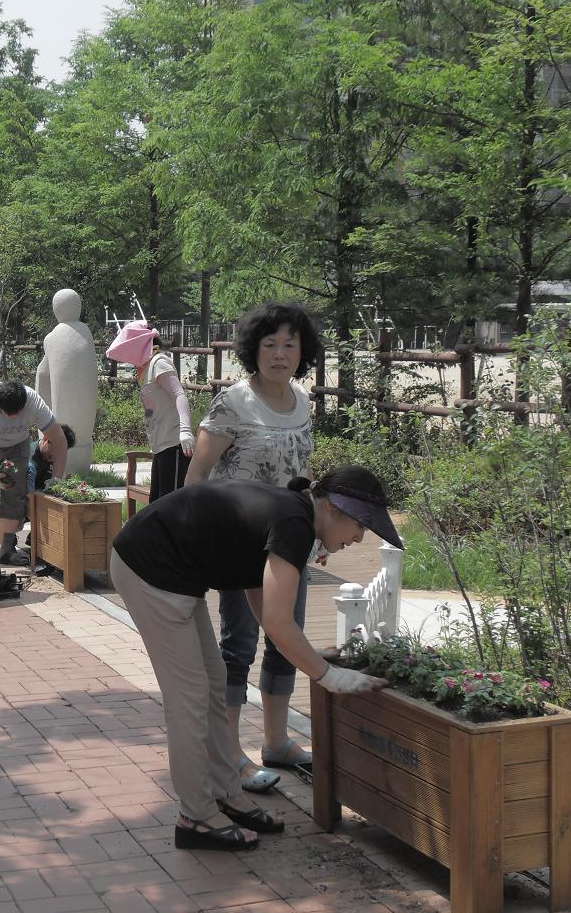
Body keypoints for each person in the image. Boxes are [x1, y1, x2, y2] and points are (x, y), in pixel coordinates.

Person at [110, 467, 400, 851]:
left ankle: (224, 792)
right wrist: (327, 675)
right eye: (360, 526)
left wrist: (310, 656)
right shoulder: (295, 525)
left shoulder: (293, 513)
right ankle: (195, 816)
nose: (359, 538)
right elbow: (280, 622)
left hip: (172, 571)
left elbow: (257, 591)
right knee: (190, 699)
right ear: (333, 508)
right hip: (151, 568)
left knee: (213, 684)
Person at [185, 302, 321, 793]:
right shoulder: (233, 403)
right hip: (239, 545)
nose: (280, 354)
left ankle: (276, 741)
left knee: (287, 639)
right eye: (270, 344)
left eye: (290, 344)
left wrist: (313, 531)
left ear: (303, 350)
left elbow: (299, 476)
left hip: (289, 545)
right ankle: (230, 754)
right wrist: (201, 544)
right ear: (253, 349)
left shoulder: (303, 402)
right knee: (238, 645)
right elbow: (197, 477)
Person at [0, 381, 68, 564]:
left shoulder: (34, 403)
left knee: (14, 495)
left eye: (18, 413)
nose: (13, 418)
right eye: (8, 414)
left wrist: (57, 480)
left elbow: (60, 440)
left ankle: (5, 551)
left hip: (16, 447)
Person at [106, 321, 194, 500]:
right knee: (157, 504)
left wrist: (185, 430)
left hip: (174, 445)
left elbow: (179, 394)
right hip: (160, 448)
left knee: (171, 507)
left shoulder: (159, 362)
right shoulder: (145, 368)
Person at [29, 424, 76, 493]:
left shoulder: (55, 460)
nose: (57, 455)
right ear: (45, 439)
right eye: (56, 449)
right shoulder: (29, 459)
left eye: (61, 452)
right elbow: (28, 496)